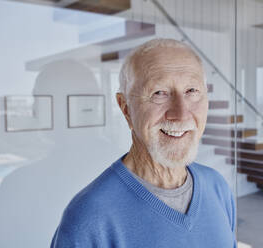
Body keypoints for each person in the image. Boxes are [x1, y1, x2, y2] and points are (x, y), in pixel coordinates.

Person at [51, 38, 237, 248]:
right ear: (126, 108)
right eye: (159, 93)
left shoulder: (218, 187)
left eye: (192, 91)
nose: (181, 113)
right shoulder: (89, 218)